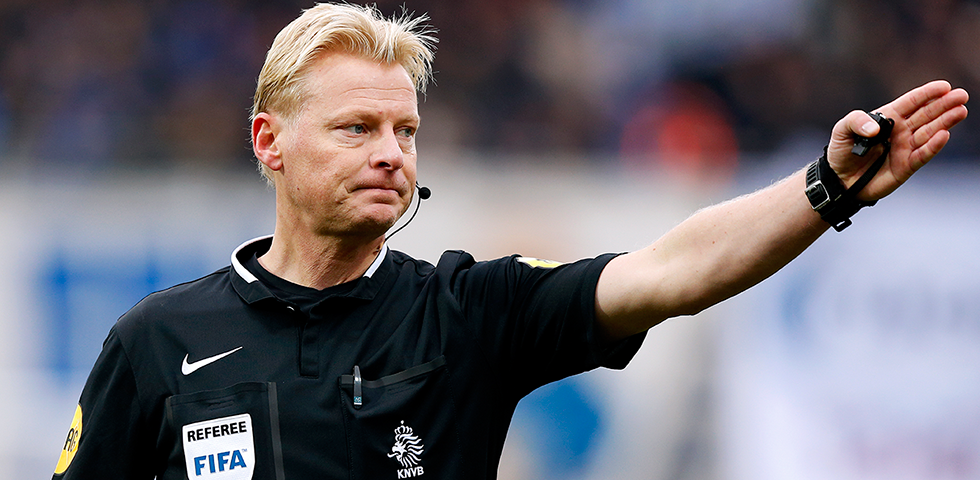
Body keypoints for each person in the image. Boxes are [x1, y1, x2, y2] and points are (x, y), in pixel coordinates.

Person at [52, 3, 969, 480]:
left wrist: (824, 189)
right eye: (356, 129)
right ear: (270, 142)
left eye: (405, 131)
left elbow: (674, 271)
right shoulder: (157, 340)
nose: (390, 153)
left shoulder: (466, 309)